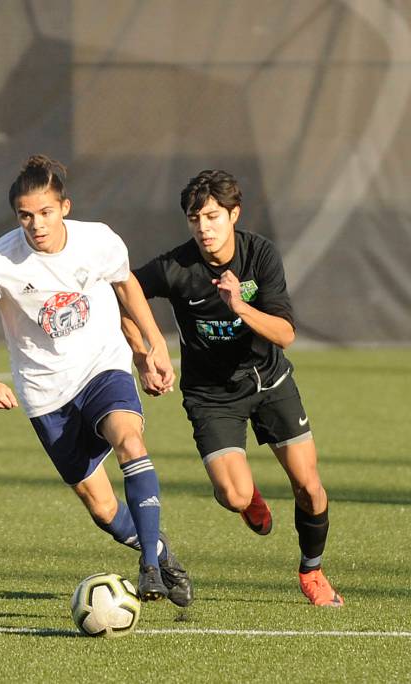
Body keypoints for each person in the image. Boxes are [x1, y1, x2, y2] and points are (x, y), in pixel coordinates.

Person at [0, 155, 192, 606]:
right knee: (102, 509)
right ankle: (157, 547)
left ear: (64, 207)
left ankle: (148, 570)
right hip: (45, 393)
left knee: (130, 443)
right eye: (26, 215)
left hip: (102, 365)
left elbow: (126, 286)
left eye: (45, 212)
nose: (36, 224)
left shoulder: (97, 240)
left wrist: (153, 345)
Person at [129, 169, 343, 607]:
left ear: (233, 214)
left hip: (270, 381)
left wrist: (239, 306)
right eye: (194, 218)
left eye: (212, 216)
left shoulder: (260, 254)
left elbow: (284, 334)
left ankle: (312, 571)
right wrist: (143, 353)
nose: (203, 228)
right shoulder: (176, 266)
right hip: (211, 395)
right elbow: (122, 290)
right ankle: (248, 497)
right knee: (234, 494)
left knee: (309, 487)